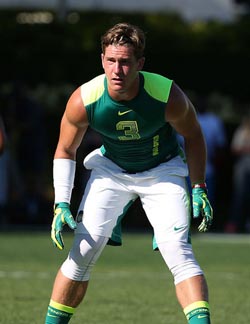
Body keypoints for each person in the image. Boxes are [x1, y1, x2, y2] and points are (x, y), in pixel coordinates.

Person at [45, 22, 213, 324]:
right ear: (102, 60)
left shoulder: (167, 95)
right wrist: (60, 203)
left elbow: (194, 136)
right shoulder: (84, 100)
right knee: (83, 249)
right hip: (111, 171)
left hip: (162, 170)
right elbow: (65, 150)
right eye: (111, 61)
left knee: (178, 251)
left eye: (125, 62)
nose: (117, 70)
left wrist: (199, 186)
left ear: (140, 64)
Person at [225, 114, 250, 233]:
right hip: (243, 164)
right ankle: (234, 223)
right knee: (239, 195)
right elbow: (235, 148)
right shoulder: (242, 131)